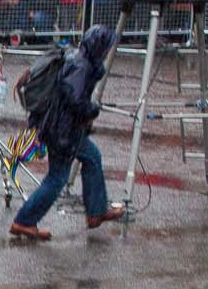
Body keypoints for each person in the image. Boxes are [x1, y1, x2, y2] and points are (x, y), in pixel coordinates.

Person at [9, 24, 124, 241]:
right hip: (62, 131)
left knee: (92, 157)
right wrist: (93, 110)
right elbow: (75, 98)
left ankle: (96, 211)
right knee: (57, 178)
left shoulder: (78, 59)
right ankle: (24, 221)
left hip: (64, 128)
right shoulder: (82, 66)